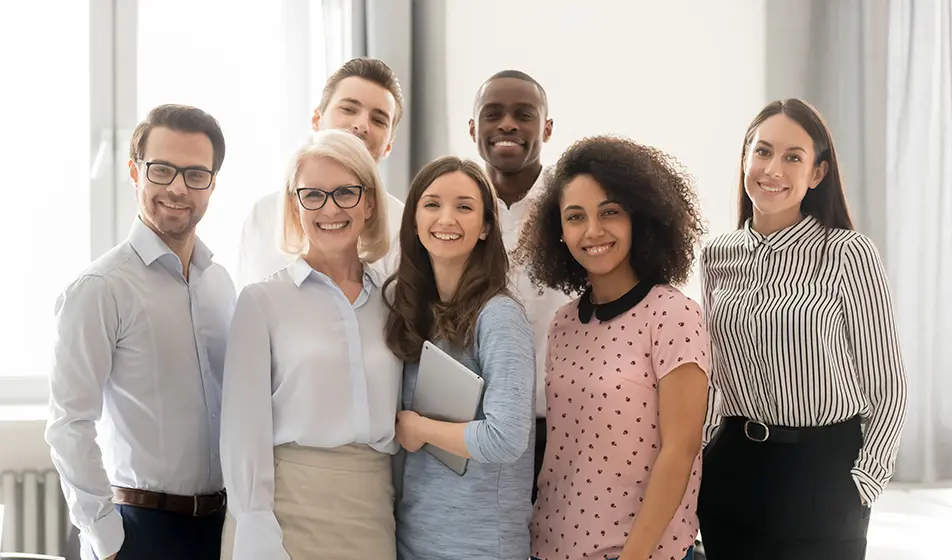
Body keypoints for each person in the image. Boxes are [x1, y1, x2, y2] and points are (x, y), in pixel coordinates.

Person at [696, 98, 908, 560]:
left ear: (816, 173)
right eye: (763, 151)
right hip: (732, 469)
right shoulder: (716, 255)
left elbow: (887, 385)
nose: (774, 168)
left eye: (793, 157)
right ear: (746, 159)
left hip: (823, 473)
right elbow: (713, 379)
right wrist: (698, 466)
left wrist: (862, 485)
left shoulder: (849, 253)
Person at [46, 104, 235, 560]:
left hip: (223, 529)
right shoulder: (99, 289)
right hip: (140, 532)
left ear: (212, 185)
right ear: (135, 172)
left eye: (195, 174)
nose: (176, 187)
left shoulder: (222, 284)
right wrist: (109, 542)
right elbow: (69, 425)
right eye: (162, 169)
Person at [515, 136, 708, 560]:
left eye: (610, 213)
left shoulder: (673, 314)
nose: (593, 231)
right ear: (559, 232)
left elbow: (681, 449)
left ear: (640, 219)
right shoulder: (563, 323)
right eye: (575, 217)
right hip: (548, 548)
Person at [220, 129, 401, 560]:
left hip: (373, 508)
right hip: (286, 508)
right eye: (312, 195)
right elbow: (242, 430)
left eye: (345, 193)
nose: (330, 208)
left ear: (370, 202)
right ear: (295, 206)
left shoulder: (394, 302)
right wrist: (255, 523)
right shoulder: (262, 301)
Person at [383, 156, 536, 560]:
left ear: (486, 227)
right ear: (414, 219)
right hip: (414, 537)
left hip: (481, 546)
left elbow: (505, 439)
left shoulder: (499, 317)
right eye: (432, 204)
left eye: (464, 207)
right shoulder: (414, 310)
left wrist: (421, 428)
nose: (446, 218)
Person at [470, 70, 572, 502]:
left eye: (524, 115)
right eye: (493, 115)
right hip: (476, 429)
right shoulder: (455, 211)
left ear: (546, 128)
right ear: (474, 129)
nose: (508, 125)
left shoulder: (574, 207)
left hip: (567, 429)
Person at [235, 57, 406, 289]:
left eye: (378, 120)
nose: (362, 125)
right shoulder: (263, 216)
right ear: (317, 119)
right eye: (348, 109)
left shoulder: (403, 228)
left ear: (389, 144)